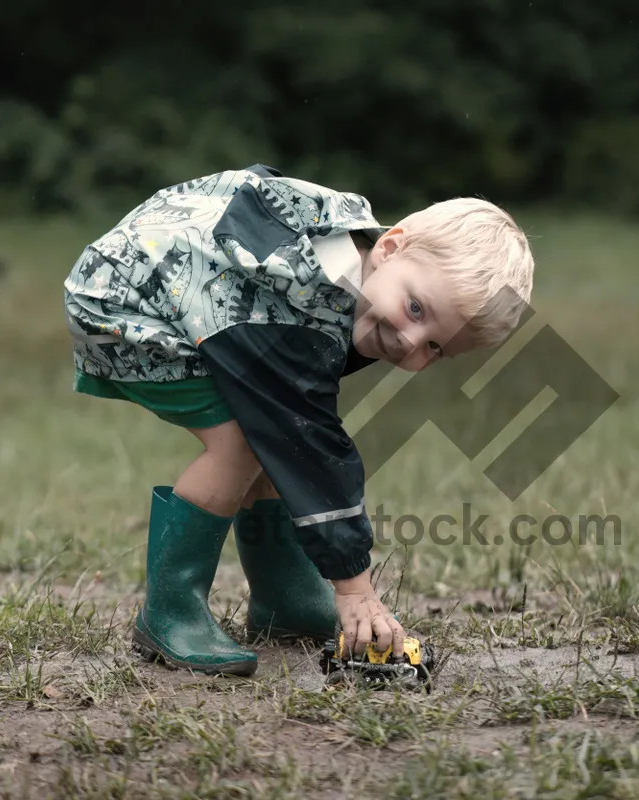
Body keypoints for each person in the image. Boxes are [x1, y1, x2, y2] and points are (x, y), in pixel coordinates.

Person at [62, 164, 534, 676]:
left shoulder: (354, 262)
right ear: (391, 247)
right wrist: (353, 588)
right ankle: (170, 611)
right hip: (127, 302)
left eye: (437, 348)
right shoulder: (301, 303)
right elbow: (311, 450)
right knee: (243, 441)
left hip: (182, 290)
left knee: (271, 428)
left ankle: (284, 600)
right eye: (416, 309)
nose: (411, 344)